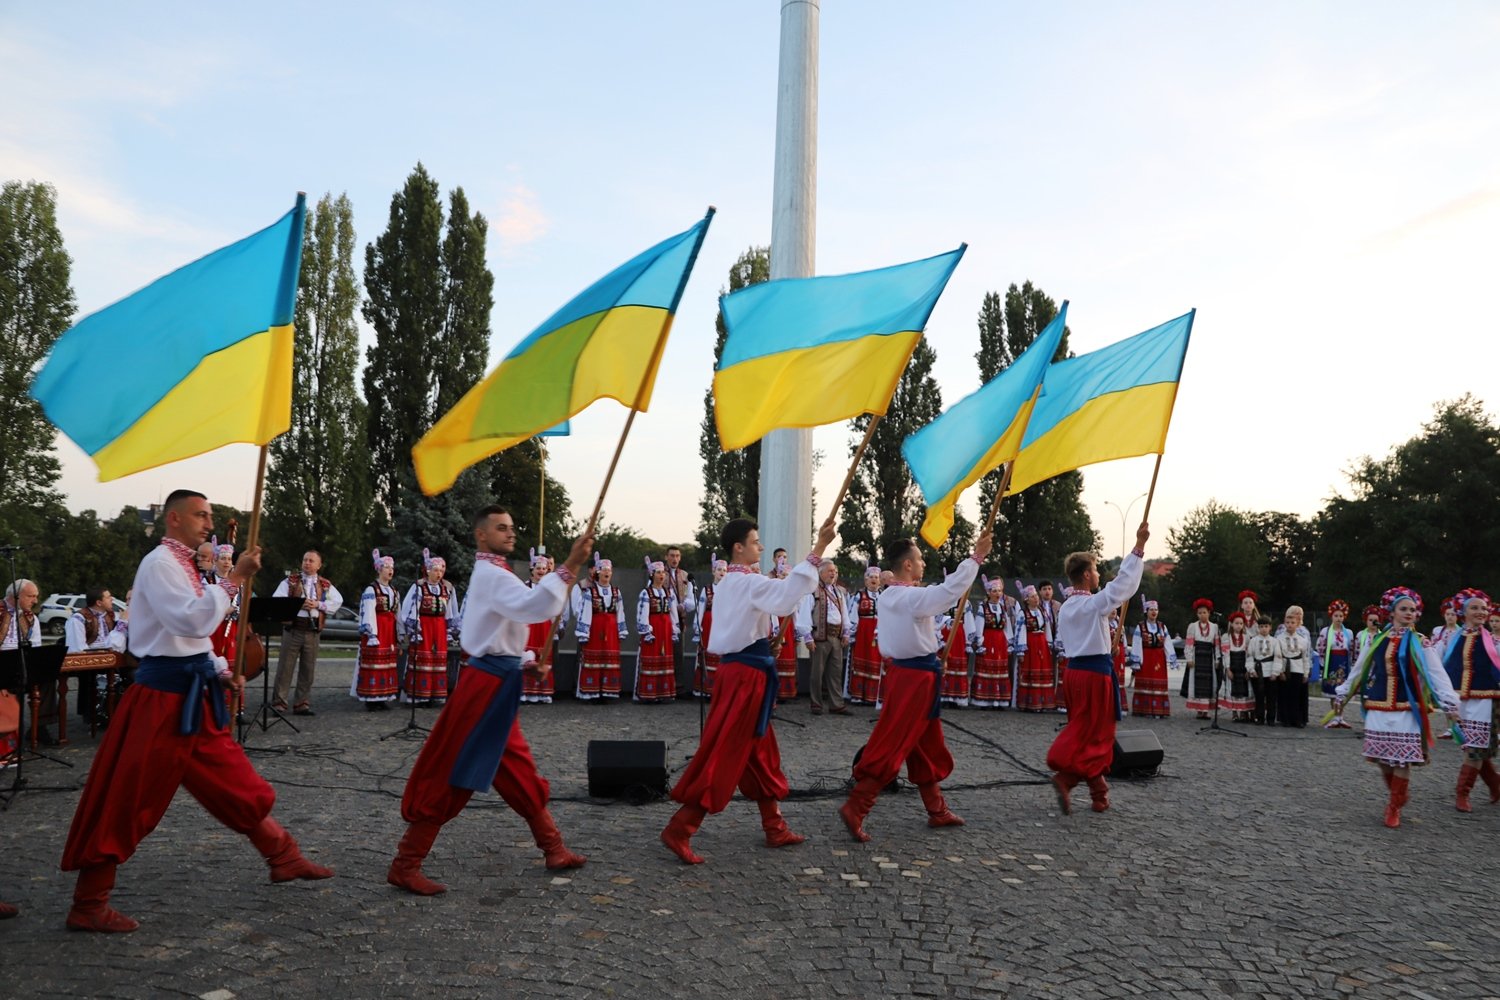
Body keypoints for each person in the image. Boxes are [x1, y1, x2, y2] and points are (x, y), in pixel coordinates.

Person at [60, 490, 332, 932]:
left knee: (232, 780)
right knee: (130, 795)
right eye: (200, 515)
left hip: (192, 693)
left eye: (209, 515)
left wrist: (219, 669)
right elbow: (191, 621)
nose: (209, 522)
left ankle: (283, 856)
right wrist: (234, 579)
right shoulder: (160, 564)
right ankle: (89, 903)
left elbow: (192, 638)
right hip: (161, 701)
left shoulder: (185, 565)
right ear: (174, 518)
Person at [388, 506, 593, 895]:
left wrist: (525, 661)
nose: (510, 533)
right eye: (501, 528)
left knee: (516, 769)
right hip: (484, 688)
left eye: (512, 527)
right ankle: (405, 863)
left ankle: (554, 847)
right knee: (454, 768)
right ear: (481, 535)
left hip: (497, 682)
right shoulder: (491, 576)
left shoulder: (497, 575)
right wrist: (568, 566)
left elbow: (503, 628)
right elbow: (536, 608)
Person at [660, 516, 837, 864]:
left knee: (760, 752)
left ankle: (774, 826)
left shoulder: (732, 583)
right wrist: (818, 549)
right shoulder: (747, 582)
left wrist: (761, 641)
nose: (760, 547)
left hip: (744, 669)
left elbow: (760, 613)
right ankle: (680, 827)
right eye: (755, 542)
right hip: (744, 677)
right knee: (726, 751)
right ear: (738, 548)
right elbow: (786, 598)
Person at [838, 528, 994, 842]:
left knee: (924, 744)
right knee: (894, 741)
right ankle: (857, 805)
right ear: (907, 565)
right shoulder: (907, 597)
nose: (923, 564)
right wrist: (975, 558)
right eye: (920, 559)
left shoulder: (892, 594)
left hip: (915, 673)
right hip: (913, 680)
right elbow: (947, 592)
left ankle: (936, 809)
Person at [1333, 586, 1460, 828]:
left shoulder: (1421, 642)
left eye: (1413, 610)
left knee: (1402, 760)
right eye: (1404, 609)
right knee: (1382, 759)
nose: (1409, 613)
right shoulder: (1378, 640)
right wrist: (1344, 693)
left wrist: (1449, 700)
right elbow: (1360, 668)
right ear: (1391, 613)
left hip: (1406, 708)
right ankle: (1398, 793)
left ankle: (1394, 805)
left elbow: (1436, 674)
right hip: (1379, 705)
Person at [1046, 522, 1150, 813]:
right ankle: (1067, 778)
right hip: (1094, 674)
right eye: (1095, 570)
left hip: (1075, 671)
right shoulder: (1092, 605)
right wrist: (1139, 547)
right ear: (1086, 575)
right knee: (1099, 733)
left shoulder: (1066, 607)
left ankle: (1098, 793)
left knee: (1088, 728)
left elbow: (1083, 635)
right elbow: (1123, 587)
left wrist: (1106, 644)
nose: (1099, 574)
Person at [1439, 589, 1499, 811]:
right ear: (1463, 612)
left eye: (1484, 608)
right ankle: (1495, 783)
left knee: (1474, 748)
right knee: (1473, 747)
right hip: (1462, 700)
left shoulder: (1493, 642)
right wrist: (1446, 699)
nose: (1480, 611)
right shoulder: (1455, 639)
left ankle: (1462, 793)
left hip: (1485, 699)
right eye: (1474, 607)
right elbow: (1446, 668)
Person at [271, 549, 341, 716]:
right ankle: (279, 703)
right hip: (293, 629)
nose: (307, 563)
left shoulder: (325, 584)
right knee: (285, 667)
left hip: (312, 630)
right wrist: (297, 604)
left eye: (311, 561)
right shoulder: (291, 581)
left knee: (308, 669)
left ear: (319, 565)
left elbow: (338, 601)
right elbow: (276, 599)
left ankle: (302, 703)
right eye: (305, 560)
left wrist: (318, 604)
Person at [400, 550, 457, 706]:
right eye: (436, 570)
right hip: (424, 626)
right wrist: (414, 629)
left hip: (439, 627)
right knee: (422, 659)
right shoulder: (419, 587)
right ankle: (419, 696)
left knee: (438, 660)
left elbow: (450, 611)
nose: (439, 574)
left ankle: (435, 694)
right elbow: (410, 608)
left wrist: (449, 630)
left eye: (441, 570)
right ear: (428, 570)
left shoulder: (445, 589)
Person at [797, 558, 851, 716]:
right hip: (820, 636)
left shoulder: (839, 592)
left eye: (834, 571)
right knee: (817, 672)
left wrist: (846, 631)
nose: (833, 574)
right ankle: (816, 703)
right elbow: (805, 614)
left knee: (836, 671)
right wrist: (807, 637)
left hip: (836, 636)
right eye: (830, 571)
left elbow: (844, 613)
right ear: (820, 573)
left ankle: (836, 704)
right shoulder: (812, 591)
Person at [352, 550, 401, 710]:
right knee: (374, 664)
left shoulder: (394, 591)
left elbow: (397, 613)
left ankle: (383, 696)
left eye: (391, 567)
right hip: (377, 629)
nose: (390, 570)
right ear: (379, 569)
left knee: (387, 663)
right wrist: (372, 633)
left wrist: (400, 633)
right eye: (386, 567)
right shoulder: (371, 590)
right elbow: (368, 611)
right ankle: (371, 698)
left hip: (389, 630)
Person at [575, 554, 627, 701]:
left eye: (609, 570)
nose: (606, 572)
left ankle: (608, 690)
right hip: (595, 630)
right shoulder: (590, 592)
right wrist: (584, 632)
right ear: (597, 572)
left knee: (609, 660)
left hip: (611, 631)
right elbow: (585, 612)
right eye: (603, 570)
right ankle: (592, 691)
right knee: (593, 660)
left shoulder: (617, 592)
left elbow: (620, 612)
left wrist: (621, 629)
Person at [1, 579, 44, 752]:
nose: (35, 601)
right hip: (2, 665)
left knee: (48, 681)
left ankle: (39, 729)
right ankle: (7, 742)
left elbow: (36, 646)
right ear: (15, 596)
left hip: (20, 665)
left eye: (36, 596)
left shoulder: (30, 617)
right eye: (31, 596)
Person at [636, 557, 680, 703]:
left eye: (663, 573)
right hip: (654, 629)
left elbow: (673, 612)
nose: (662, 575)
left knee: (665, 658)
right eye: (658, 572)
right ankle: (649, 693)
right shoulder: (646, 593)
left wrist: (674, 629)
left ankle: (664, 692)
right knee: (651, 657)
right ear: (652, 574)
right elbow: (642, 614)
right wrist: (647, 631)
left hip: (666, 629)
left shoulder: (669, 593)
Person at [971, 577, 1015, 709]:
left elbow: (1007, 627)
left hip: (1000, 641)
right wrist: (979, 642)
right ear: (988, 592)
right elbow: (979, 626)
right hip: (988, 640)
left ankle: (999, 700)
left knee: (1000, 670)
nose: (997, 594)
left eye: (999, 591)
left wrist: (1009, 642)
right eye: (994, 591)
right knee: (987, 668)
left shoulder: (1002, 608)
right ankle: (984, 700)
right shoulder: (982, 608)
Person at [1129, 599, 1174, 718]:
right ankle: (1144, 709)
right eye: (1151, 609)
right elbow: (1137, 643)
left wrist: (1171, 658)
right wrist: (1136, 660)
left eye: (1156, 609)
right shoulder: (1140, 626)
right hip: (1146, 657)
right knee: (1145, 680)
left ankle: (1159, 710)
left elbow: (1167, 642)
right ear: (1146, 611)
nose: (1154, 612)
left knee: (1158, 682)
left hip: (1159, 659)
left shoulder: (1162, 626)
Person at [1015, 583, 1056, 712]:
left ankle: (1043, 702)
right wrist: (1021, 649)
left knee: (1042, 671)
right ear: (1027, 599)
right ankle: (1029, 703)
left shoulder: (1042, 611)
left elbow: (1047, 628)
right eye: (1033, 596)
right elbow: (1020, 630)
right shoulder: (1023, 613)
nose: (1036, 598)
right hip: (1030, 644)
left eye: (1036, 596)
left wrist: (1049, 643)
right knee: (1031, 671)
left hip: (1042, 644)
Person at [845, 566, 883, 705]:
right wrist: (852, 633)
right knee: (860, 659)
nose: (874, 580)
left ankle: (873, 696)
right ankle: (858, 695)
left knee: (876, 661)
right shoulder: (859, 596)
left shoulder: (884, 596)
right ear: (866, 581)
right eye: (871, 577)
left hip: (879, 633)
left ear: (880, 581)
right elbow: (852, 615)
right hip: (862, 632)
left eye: (876, 577)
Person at [1315, 600, 1355, 729]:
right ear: (1331, 616)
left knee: (1342, 692)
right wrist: (1322, 663)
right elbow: (1320, 647)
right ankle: (1334, 717)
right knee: (1333, 690)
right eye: (1336, 616)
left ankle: (1340, 717)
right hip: (1332, 662)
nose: (1338, 618)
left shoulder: (1348, 633)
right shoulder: (1326, 632)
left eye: (1341, 616)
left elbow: (1352, 649)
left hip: (1343, 663)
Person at [693, 555, 727, 698]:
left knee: (722, 657)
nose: (722, 572)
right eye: (719, 569)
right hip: (709, 624)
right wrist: (697, 626)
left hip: (724, 624)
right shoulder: (706, 590)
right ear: (713, 571)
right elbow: (700, 608)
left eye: (725, 570)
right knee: (707, 654)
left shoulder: (729, 590)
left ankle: (721, 690)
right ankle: (706, 689)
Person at [937, 582, 974, 709]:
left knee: (956, 666)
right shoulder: (942, 600)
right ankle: (942, 696)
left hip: (958, 635)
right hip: (944, 634)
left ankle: (956, 697)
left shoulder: (965, 602)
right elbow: (936, 617)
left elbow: (969, 620)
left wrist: (969, 641)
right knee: (944, 663)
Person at [1275, 606, 1311, 727]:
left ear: (1297, 624)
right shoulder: (1279, 639)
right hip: (1285, 668)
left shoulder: (1302, 640)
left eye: (1293, 623)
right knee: (1284, 694)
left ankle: (1297, 719)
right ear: (1285, 623)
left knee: (1296, 695)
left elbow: (1305, 657)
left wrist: (1306, 673)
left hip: (1298, 669)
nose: (1290, 625)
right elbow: (1278, 656)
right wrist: (1280, 671)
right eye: (1288, 623)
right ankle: (1284, 718)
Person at [1184, 599, 1220, 718]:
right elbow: (1189, 643)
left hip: (1209, 657)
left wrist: (1217, 659)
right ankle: (1199, 710)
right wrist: (1189, 658)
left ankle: (1206, 711)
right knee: (1197, 683)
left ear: (1209, 613)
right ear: (1197, 614)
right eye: (1199, 613)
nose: (1202, 615)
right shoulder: (1192, 626)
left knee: (1209, 684)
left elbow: (1217, 645)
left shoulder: (1214, 627)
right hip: (1197, 655)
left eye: (1204, 612)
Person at [1218, 611, 1255, 721]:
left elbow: (1249, 654)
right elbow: (1225, 654)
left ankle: (1243, 712)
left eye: (1241, 623)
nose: (1238, 626)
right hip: (1232, 664)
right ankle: (1234, 713)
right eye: (1236, 623)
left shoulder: (1247, 637)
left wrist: (1249, 669)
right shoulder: (1226, 637)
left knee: (1244, 689)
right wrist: (1228, 668)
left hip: (1243, 665)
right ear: (1231, 624)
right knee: (1232, 689)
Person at [1248, 616, 1278, 725]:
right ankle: (1259, 717)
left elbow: (1278, 657)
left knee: (1271, 697)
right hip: (1257, 671)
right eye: (1261, 626)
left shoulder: (1274, 641)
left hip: (1270, 671)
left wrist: (1275, 672)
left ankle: (1271, 718)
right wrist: (1251, 669)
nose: (1264, 629)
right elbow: (1250, 656)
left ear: (1270, 627)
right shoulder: (1253, 641)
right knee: (1259, 696)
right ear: (1258, 628)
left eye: (1266, 626)